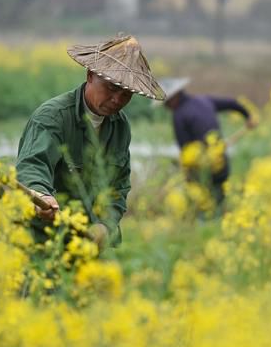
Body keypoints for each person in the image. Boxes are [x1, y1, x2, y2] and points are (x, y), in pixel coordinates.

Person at [16, 33, 164, 249]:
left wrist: (104, 226)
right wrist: (41, 196)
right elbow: (32, 165)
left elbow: (118, 186)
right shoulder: (53, 117)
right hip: (41, 237)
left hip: (85, 242)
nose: (117, 100)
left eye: (126, 94)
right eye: (112, 88)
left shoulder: (120, 126)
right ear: (90, 76)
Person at [160, 77, 256, 207]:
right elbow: (232, 103)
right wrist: (247, 116)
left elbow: (185, 149)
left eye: (166, 103)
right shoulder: (204, 101)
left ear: (173, 98)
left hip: (203, 168)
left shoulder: (179, 115)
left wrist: (187, 174)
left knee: (203, 205)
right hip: (221, 162)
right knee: (219, 200)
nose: (166, 108)